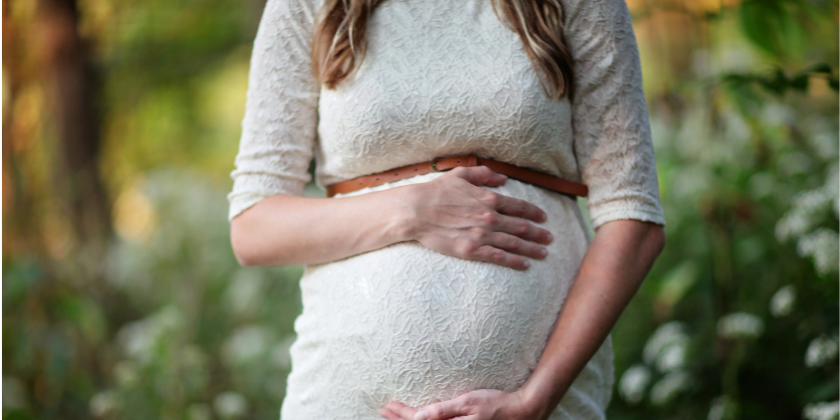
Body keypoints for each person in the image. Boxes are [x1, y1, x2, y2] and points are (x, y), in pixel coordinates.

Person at [227, 0, 667, 418]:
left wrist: (536, 400)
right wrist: (412, 210)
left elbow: (633, 216)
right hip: (345, 398)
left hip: (543, 401)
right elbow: (254, 227)